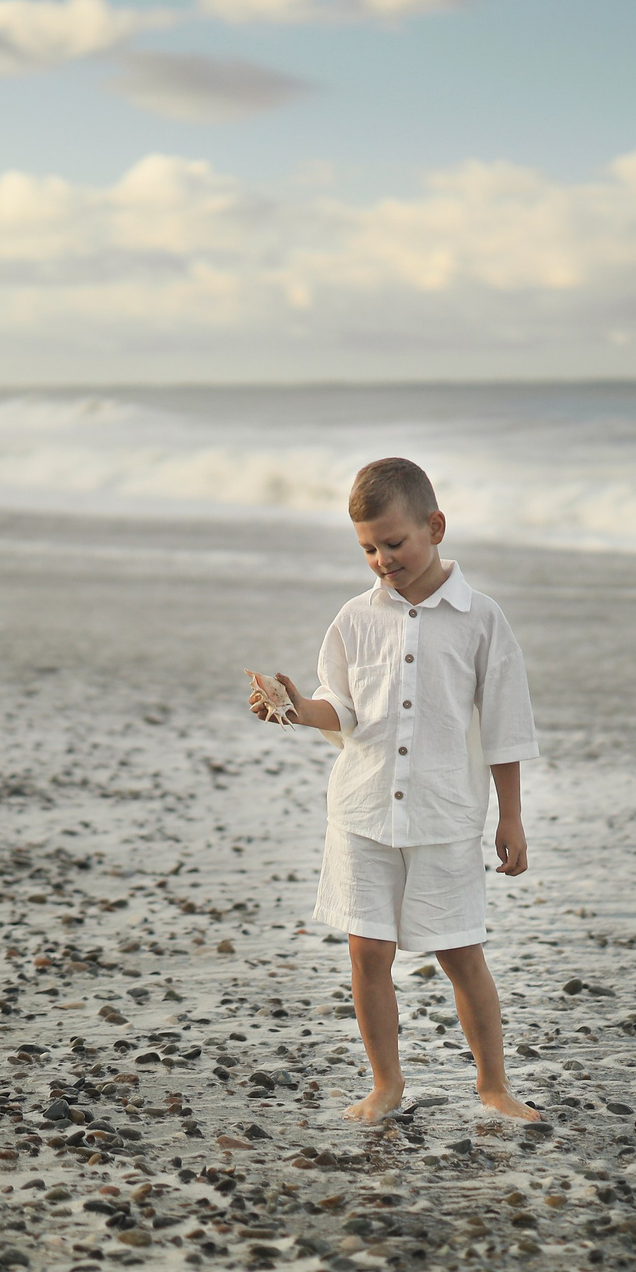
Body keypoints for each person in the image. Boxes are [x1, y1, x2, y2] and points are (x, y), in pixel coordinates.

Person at [249, 457, 541, 1124]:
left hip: (444, 813)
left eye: (394, 542)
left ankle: (493, 1085)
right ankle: (386, 1082)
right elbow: (341, 707)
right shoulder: (355, 618)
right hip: (363, 807)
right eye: (368, 549)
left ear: (435, 527)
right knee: (367, 949)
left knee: (460, 949)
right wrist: (294, 707)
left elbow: (506, 726)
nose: (382, 558)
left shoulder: (481, 619)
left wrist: (512, 818)